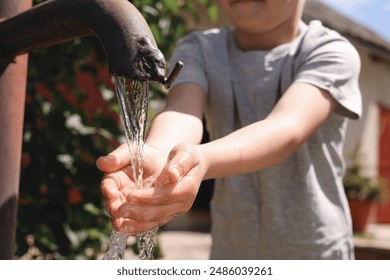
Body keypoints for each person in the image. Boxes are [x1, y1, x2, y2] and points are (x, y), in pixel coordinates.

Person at [96, 0, 361, 259]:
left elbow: (288, 127)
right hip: (232, 251)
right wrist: (156, 151)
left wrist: (203, 159)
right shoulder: (200, 48)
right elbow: (182, 112)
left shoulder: (330, 52)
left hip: (315, 253)